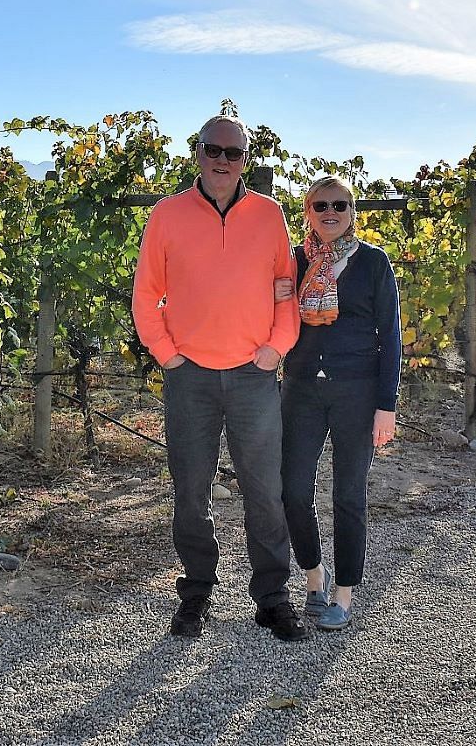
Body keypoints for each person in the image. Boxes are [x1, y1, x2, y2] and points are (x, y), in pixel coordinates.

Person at [131, 114, 309, 641]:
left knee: (265, 493)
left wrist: (277, 348)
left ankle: (272, 599)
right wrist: (166, 354)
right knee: (191, 492)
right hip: (191, 379)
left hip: (254, 378)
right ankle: (196, 597)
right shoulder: (166, 215)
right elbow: (146, 294)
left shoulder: (269, 215)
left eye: (234, 152)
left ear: (245, 161)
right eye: (214, 149)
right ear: (198, 153)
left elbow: (286, 290)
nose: (223, 160)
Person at [279, 175, 402, 630]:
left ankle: (344, 594)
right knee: (292, 489)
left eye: (341, 205)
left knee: (349, 494)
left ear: (353, 212)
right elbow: (273, 318)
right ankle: (314, 574)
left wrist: (385, 405)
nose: (331, 213)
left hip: (358, 390)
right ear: (308, 212)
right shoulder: (293, 262)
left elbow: (389, 338)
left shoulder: (373, 263)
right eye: (321, 205)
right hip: (302, 388)